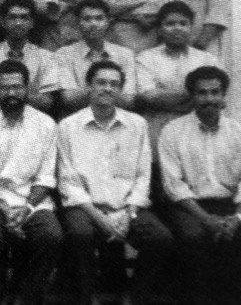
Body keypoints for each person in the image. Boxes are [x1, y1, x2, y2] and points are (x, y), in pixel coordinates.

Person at [57, 60, 174, 305]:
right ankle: (87, 297)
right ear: (89, 86)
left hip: (127, 207)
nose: (107, 88)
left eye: (114, 84)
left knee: (160, 237)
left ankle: (136, 295)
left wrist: (128, 214)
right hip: (86, 208)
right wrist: (99, 217)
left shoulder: (137, 124)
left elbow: (143, 176)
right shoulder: (68, 127)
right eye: (101, 82)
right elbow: (68, 181)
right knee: (80, 234)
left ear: (121, 89)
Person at [159, 66, 241, 305]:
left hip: (231, 207)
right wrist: (205, 219)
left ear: (223, 95)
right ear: (192, 96)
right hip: (189, 206)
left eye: (215, 92)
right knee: (194, 239)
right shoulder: (173, 132)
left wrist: (237, 218)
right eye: (202, 93)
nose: (209, 99)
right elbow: (174, 185)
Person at [0, 59, 61, 305]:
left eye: (17, 87)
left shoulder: (46, 124)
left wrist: (26, 209)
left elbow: (46, 176)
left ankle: (30, 298)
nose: (11, 93)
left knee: (50, 236)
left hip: (33, 202)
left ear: (27, 89)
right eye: (4, 87)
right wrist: (3, 208)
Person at [136, 1, 220, 143]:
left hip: (197, 128)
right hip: (158, 127)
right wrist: (194, 93)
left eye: (183, 23)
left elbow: (216, 97)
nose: (177, 28)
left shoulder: (207, 59)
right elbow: (148, 96)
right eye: (170, 24)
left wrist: (163, 94)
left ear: (191, 28)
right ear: (159, 29)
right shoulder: (145, 58)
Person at [0, 0, 61, 113]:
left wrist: (6, 97)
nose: (18, 23)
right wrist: (24, 98)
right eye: (12, 17)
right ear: (2, 22)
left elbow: (46, 102)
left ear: (32, 23)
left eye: (24, 18)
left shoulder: (47, 58)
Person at [57, 0, 137, 113]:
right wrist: (110, 89)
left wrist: (89, 91)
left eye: (99, 18)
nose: (93, 24)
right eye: (87, 19)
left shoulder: (125, 54)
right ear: (78, 23)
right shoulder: (64, 54)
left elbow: (128, 100)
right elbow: (68, 99)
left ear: (108, 22)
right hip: (78, 118)